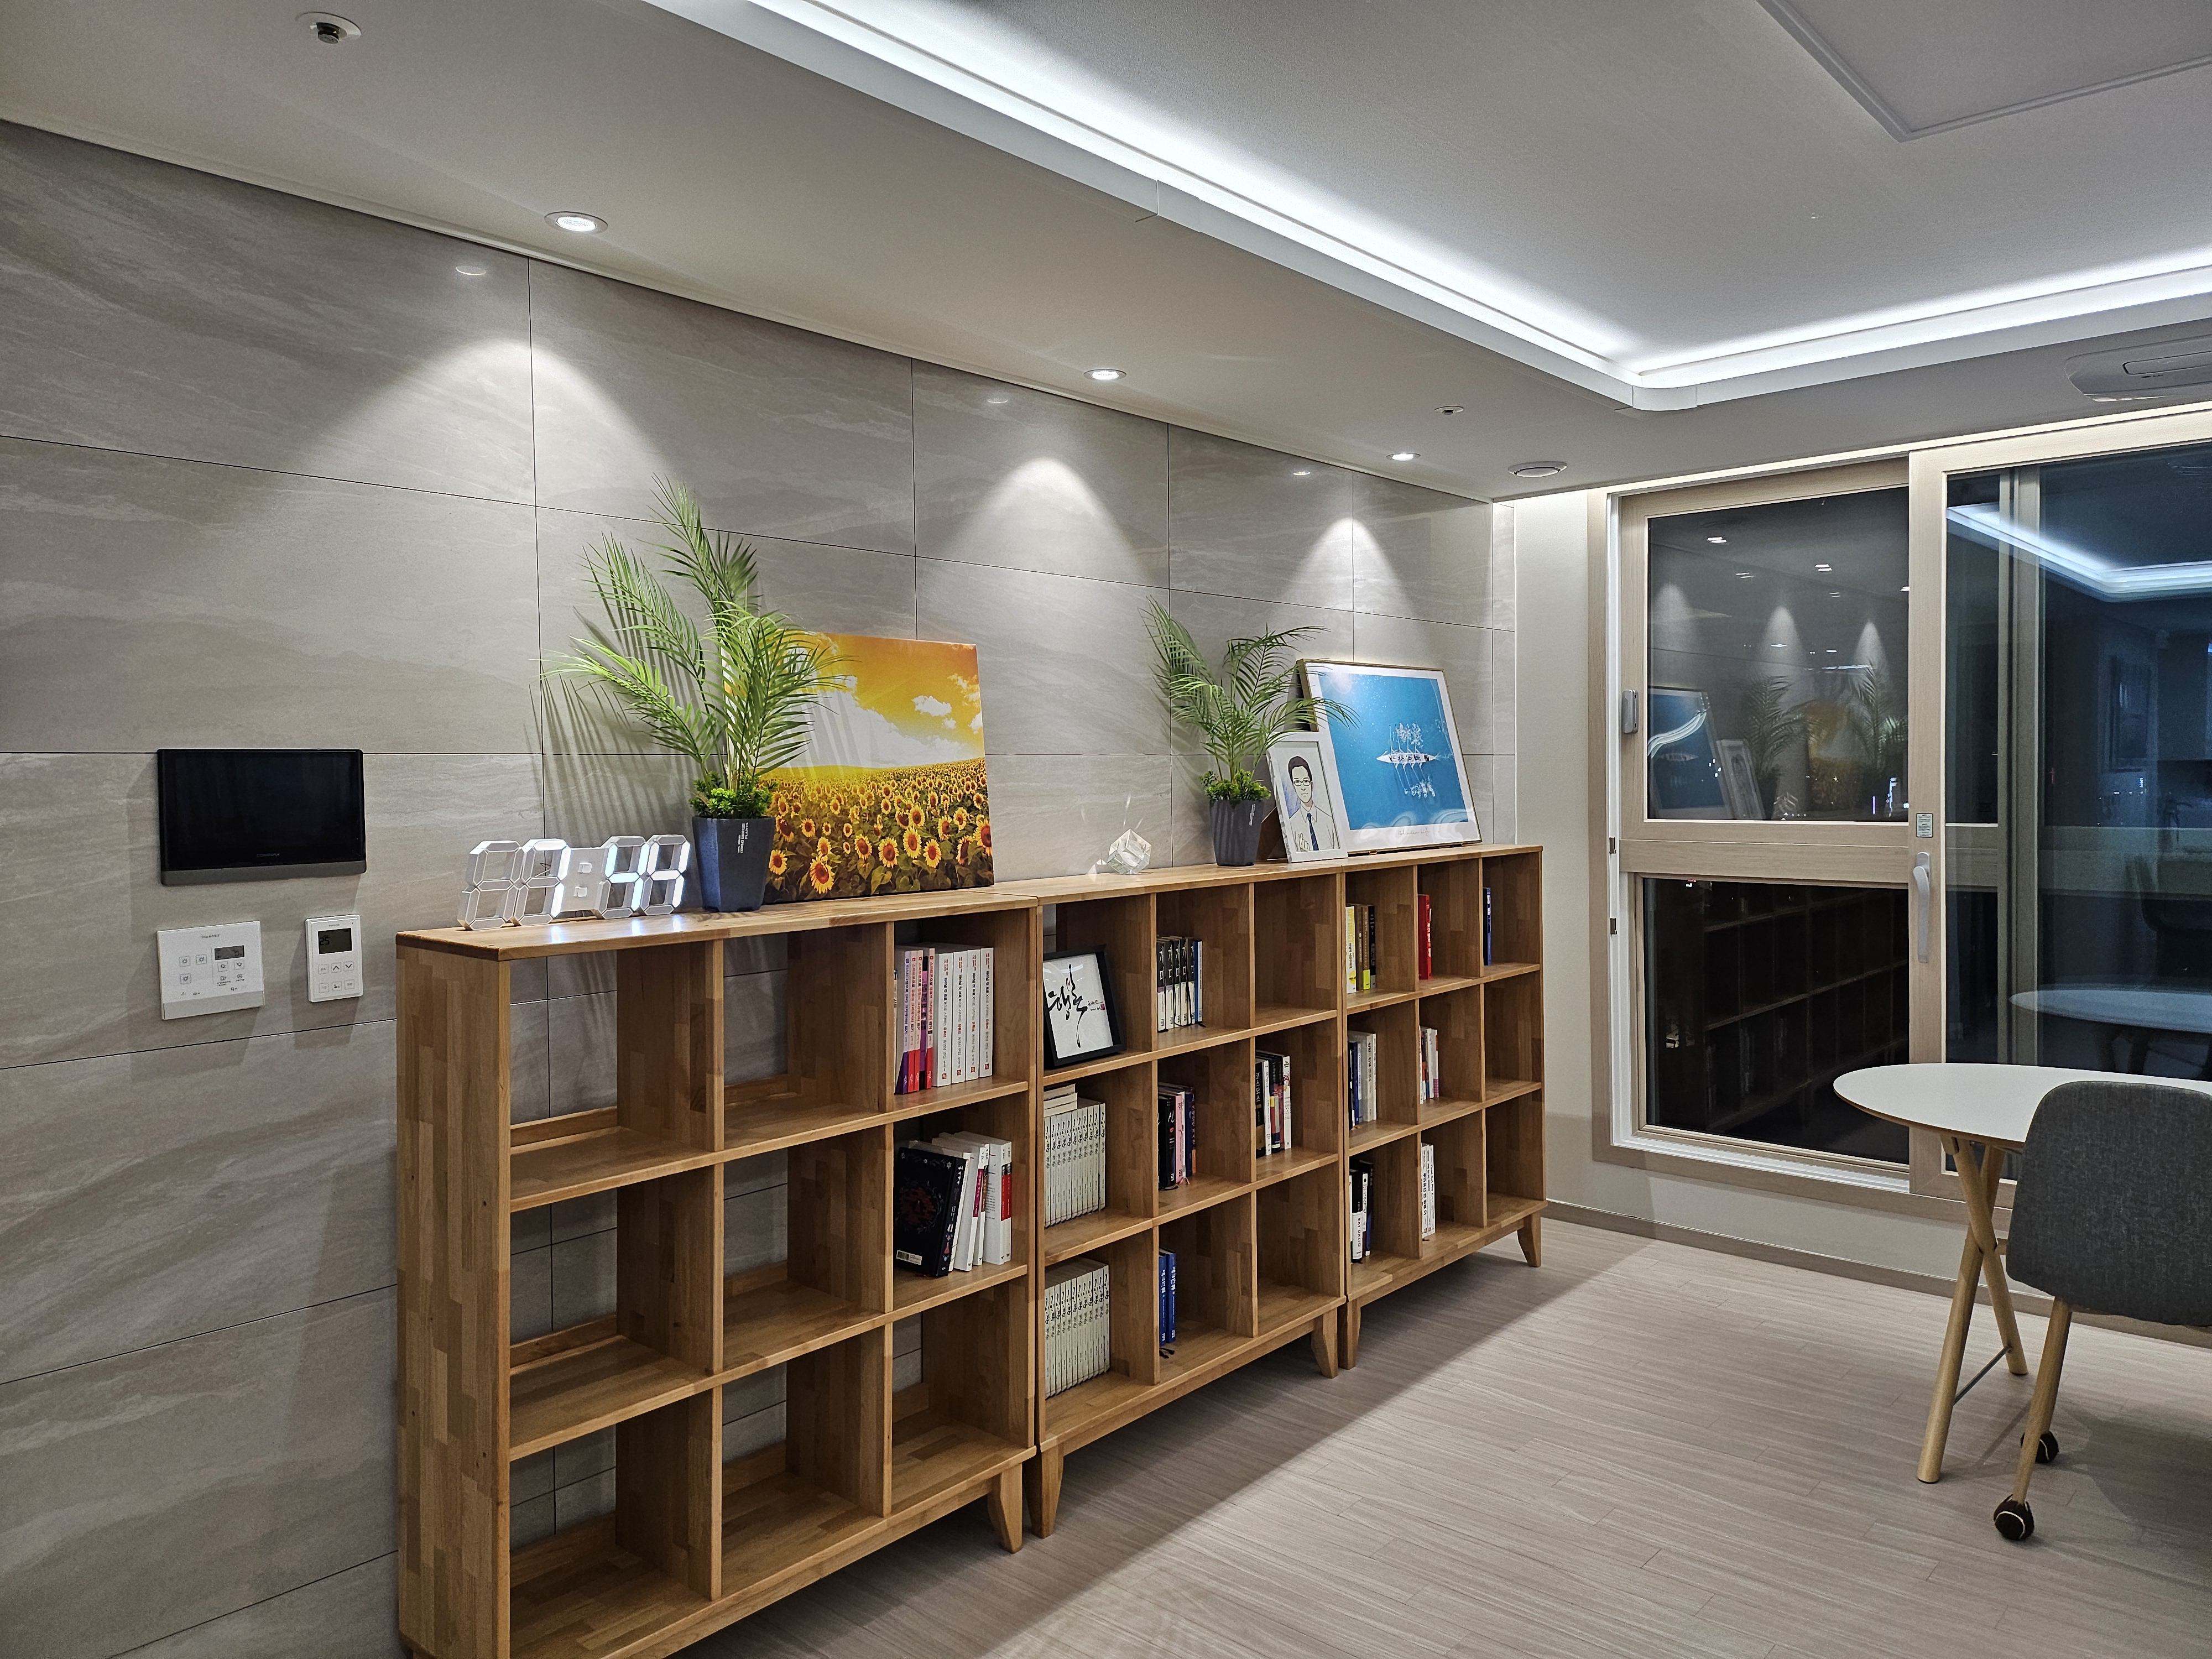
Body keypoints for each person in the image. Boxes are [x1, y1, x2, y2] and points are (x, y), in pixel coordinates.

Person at [1283, 753, 1339, 852]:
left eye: (1305, 781)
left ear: (1311, 785)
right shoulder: (1291, 826)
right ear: (1294, 787)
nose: (1303, 788)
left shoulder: (1329, 821)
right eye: (1298, 783)